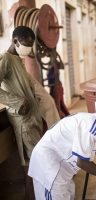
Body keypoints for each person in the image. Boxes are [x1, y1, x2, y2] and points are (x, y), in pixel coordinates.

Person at [28, 102, 96, 199]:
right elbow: (82, 162)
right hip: (48, 168)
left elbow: (84, 156)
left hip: (61, 167)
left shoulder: (93, 123)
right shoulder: (91, 126)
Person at [0, 26, 45, 200]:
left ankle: (34, 195)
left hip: (31, 117)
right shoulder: (6, 59)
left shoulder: (18, 59)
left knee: (35, 161)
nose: (28, 48)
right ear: (15, 41)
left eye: (31, 45)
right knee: (34, 163)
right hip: (23, 120)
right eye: (26, 44)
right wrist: (17, 101)